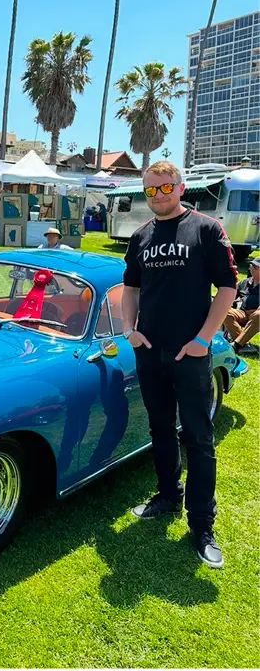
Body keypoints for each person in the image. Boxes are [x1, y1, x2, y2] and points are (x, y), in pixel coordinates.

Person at [122, 160, 237, 569]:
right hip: (150, 352)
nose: (159, 196)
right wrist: (129, 330)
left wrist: (204, 339)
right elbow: (129, 287)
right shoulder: (140, 236)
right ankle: (168, 496)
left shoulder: (206, 228)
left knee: (198, 437)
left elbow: (228, 286)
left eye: (166, 187)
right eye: (151, 190)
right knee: (159, 428)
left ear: (181, 186)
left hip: (191, 354)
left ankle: (202, 525)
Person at [223, 257, 260, 354]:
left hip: (257, 315)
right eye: (252, 266)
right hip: (243, 312)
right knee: (224, 311)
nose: (252, 268)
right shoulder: (245, 282)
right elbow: (232, 294)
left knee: (258, 315)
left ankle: (237, 345)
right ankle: (244, 345)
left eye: (255, 267)